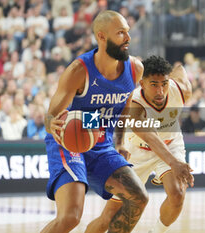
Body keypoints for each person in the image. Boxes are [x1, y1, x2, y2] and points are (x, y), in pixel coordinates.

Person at [42, 10, 151, 233]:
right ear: (102, 37)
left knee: (138, 198)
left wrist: (119, 142)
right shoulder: (78, 70)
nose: (128, 38)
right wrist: (51, 123)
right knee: (70, 217)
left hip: (101, 140)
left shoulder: (135, 68)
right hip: (69, 139)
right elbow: (50, 116)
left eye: (128, 32)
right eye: (121, 33)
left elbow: (126, 108)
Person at [85, 56, 194, 233]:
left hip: (171, 144)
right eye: (154, 85)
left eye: (164, 84)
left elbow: (180, 69)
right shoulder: (133, 105)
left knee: (177, 194)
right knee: (110, 215)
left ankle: (156, 231)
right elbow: (151, 138)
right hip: (137, 152)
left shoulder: (181, 90)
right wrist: (175, 163)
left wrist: (169, 72)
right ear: (142, 84)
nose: (160, 91)